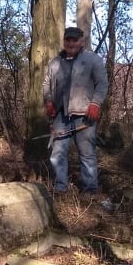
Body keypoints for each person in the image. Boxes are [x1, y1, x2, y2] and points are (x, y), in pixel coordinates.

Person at [42, 26, 108, 194]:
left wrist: (95, 104)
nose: (71, 43)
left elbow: (102, 83)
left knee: (87, 154)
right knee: (57, 153)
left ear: (81, 41)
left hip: (85, 115)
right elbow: (46, 84)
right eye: (68, 39)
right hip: (60, 115)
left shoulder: (93, 59)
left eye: (74, 40)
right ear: (64, 41)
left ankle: (90, 189)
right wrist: (49, 101)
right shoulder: (55, 62)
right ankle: (60, 187)